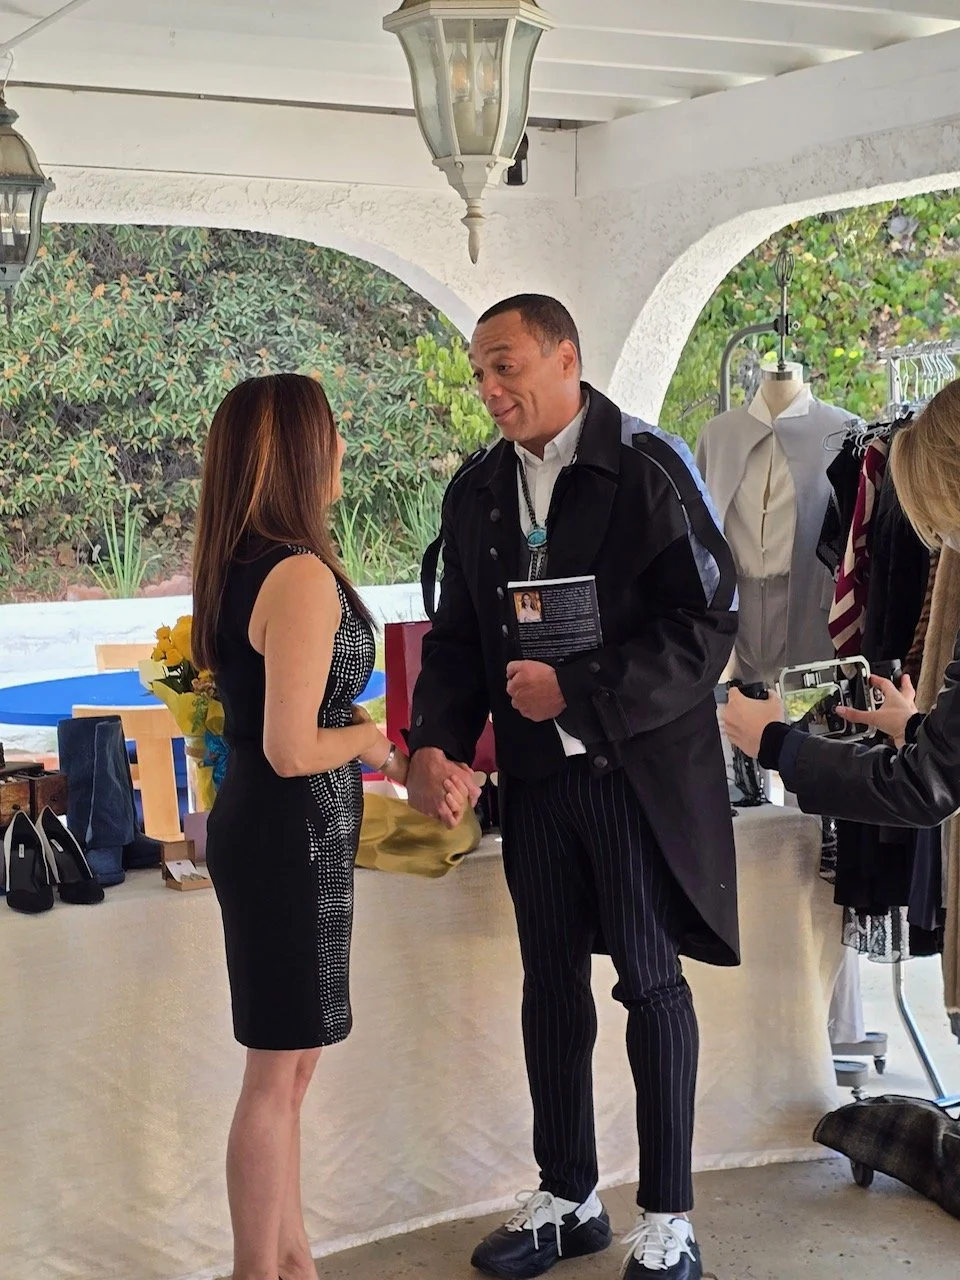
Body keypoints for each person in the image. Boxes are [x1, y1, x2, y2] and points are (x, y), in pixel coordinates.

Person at [405, 295, 740, 1280]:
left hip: (631, 773)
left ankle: (669, 1217)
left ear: (566, 358)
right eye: (479, 371)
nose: (489, 387)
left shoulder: (648, 467)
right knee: (550, 984)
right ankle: (569, 1197)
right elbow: (456, 641)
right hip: (536, 782)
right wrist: (433, 744)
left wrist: (582, 687)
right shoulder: (478, 491)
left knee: (650, 982)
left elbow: (707, 625)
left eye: (504, 365)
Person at [192, 374, 462, 1280]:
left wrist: (379, 752)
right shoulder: (297, 573)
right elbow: (291, 746)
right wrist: (374, 742)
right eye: (332, 432)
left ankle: (292, 1260)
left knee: (291, 1071)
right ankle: (258, 1271)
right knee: (277, 1078)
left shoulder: (245, 563)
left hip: (282, 834)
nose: (343, 446)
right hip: (286, 837)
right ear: (302, 452)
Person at [724, 378, 960, 828]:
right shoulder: (719, 439)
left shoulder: (840, 430)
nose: (946, 541)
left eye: (946, 522)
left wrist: (776, 743)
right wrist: (915, 728)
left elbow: (923, 785)